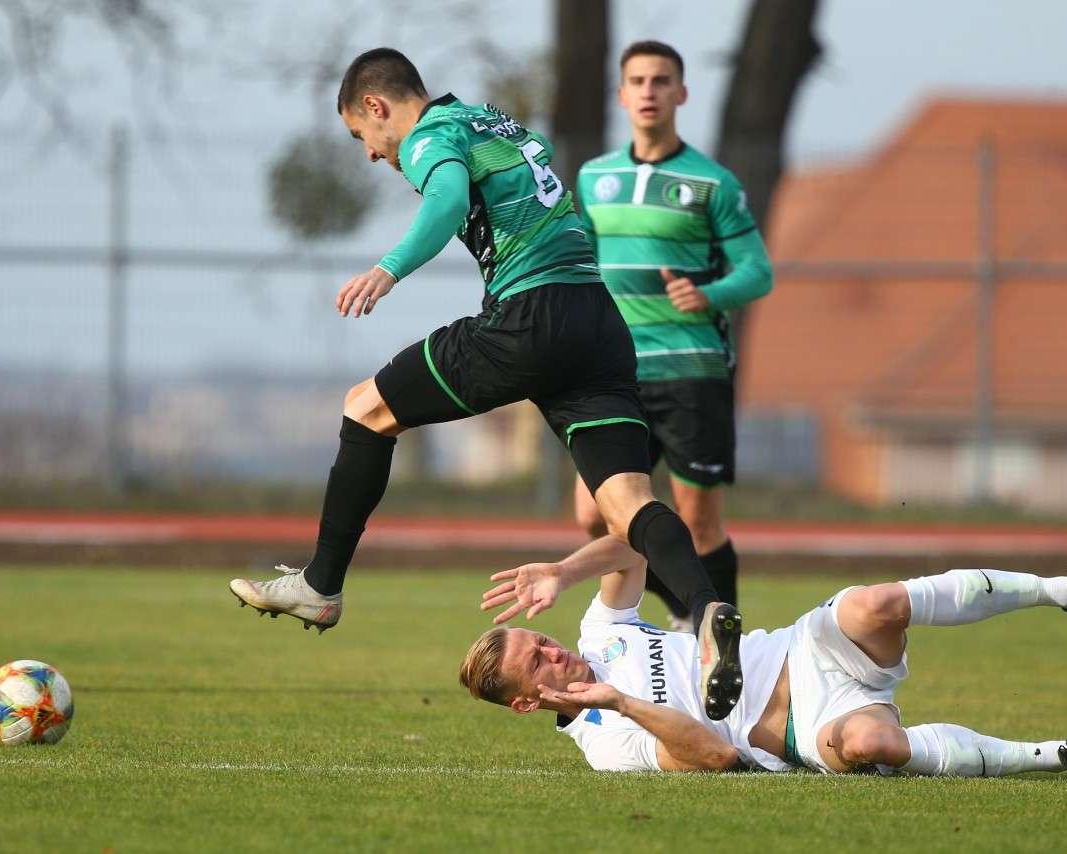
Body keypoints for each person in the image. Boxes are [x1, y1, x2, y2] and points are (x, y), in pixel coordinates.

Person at [227, 47, 744, 719]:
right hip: (599, 322)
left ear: (377, 107)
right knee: (628, 504)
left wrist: (388, 268)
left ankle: (322, 585)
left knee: (366, 409)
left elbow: (445, 199)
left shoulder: (430, 136)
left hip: (532, 318)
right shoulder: (488, 120)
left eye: (362, 135)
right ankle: (706, 614)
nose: (372, 154)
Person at [459, 526, 1067, 776]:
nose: (554, 654)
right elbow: (715, 758)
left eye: (541, 641)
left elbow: (633, 548)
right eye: (537, 664)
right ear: (526, 705)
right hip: (801, 730)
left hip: (802, 649)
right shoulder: (607, 746)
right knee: (873, 744)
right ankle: (1060, 756)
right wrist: (623, 703)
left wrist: (562, 571)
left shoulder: (600, 632)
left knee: (874, 604)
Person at [572, 41, 774, 631]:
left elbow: (757, 271)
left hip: (691, 372)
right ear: (621, 94)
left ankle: (724, 640)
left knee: (699, 520)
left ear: (681, 93)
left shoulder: (712, 183)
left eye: (661, 81)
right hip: (616, 373)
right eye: (637, 80)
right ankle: (688, 609)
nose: (649, 91)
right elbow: (582, 264)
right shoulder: (594, 177)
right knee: (594, 514)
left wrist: (708, 294)